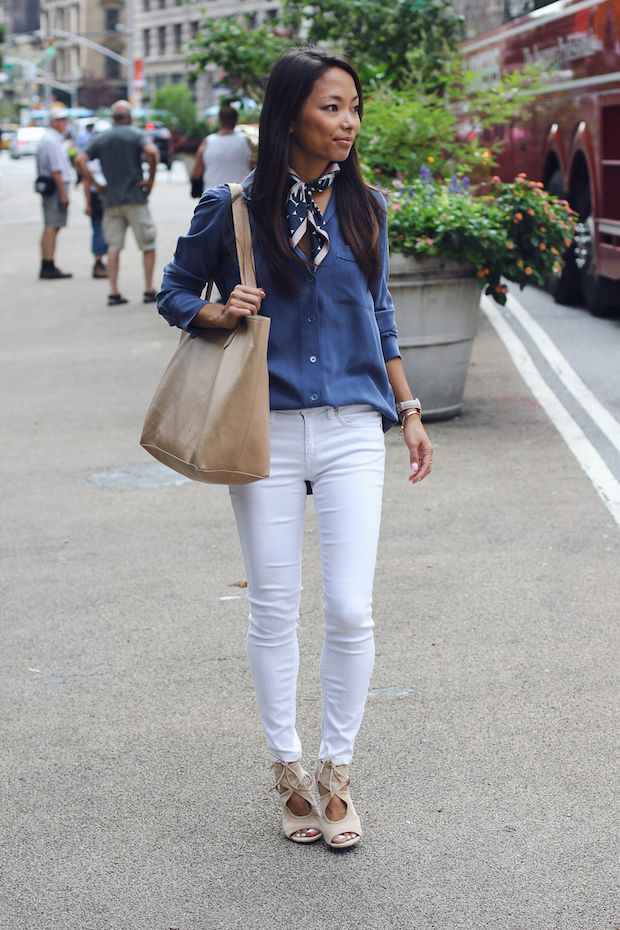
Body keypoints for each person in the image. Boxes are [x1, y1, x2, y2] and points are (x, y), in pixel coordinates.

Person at [157, 48, 433, 848]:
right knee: (274, 607)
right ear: (289, 116)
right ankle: (289, 771)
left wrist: (409, 408)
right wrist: (216, 309)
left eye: (354, 108)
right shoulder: (234, 208)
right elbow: (175, 288)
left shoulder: (367, 207)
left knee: (350, 607)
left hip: (352, 425)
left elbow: (379, 316)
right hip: (265, 425)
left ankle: (338, 770)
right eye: (331, 107)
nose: (347, 123)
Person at [75, 101, 159, 306]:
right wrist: (150, 179)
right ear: (129, 118)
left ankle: (114, 291)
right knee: (147, 244)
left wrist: (96, 183)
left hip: (111, 199)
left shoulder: (101, 139)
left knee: (113, 246)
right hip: (135, 198)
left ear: (113, 118)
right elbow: (152, 152)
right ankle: (148, 289)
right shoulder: (136, 134)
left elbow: (79, 160)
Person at [37, 109, 73, 279]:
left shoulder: (49, 139)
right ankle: (48, 264)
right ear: (53, 122)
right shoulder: (51, 141)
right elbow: (56, 170)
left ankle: (47, 263)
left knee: (51, 225)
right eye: (61, 120)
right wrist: (64, 194)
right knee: (52, 225)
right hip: (56, 188)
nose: (64, 124)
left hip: (50, 187)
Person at [191, 105, 252, 191]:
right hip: (241, 195)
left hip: (214, 195)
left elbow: (196, 173)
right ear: (236, 120)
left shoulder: (208, 141)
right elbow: (254, 167)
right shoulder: (246, 140)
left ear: (219, 121)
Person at [83, 152, 108, 278]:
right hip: (99, 196)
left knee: (102, 229)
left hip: (104, 195)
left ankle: (101, 262)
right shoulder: (93, 162)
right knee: (100, 229)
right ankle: (98, 262)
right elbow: (86, 183)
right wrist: (88, 203)